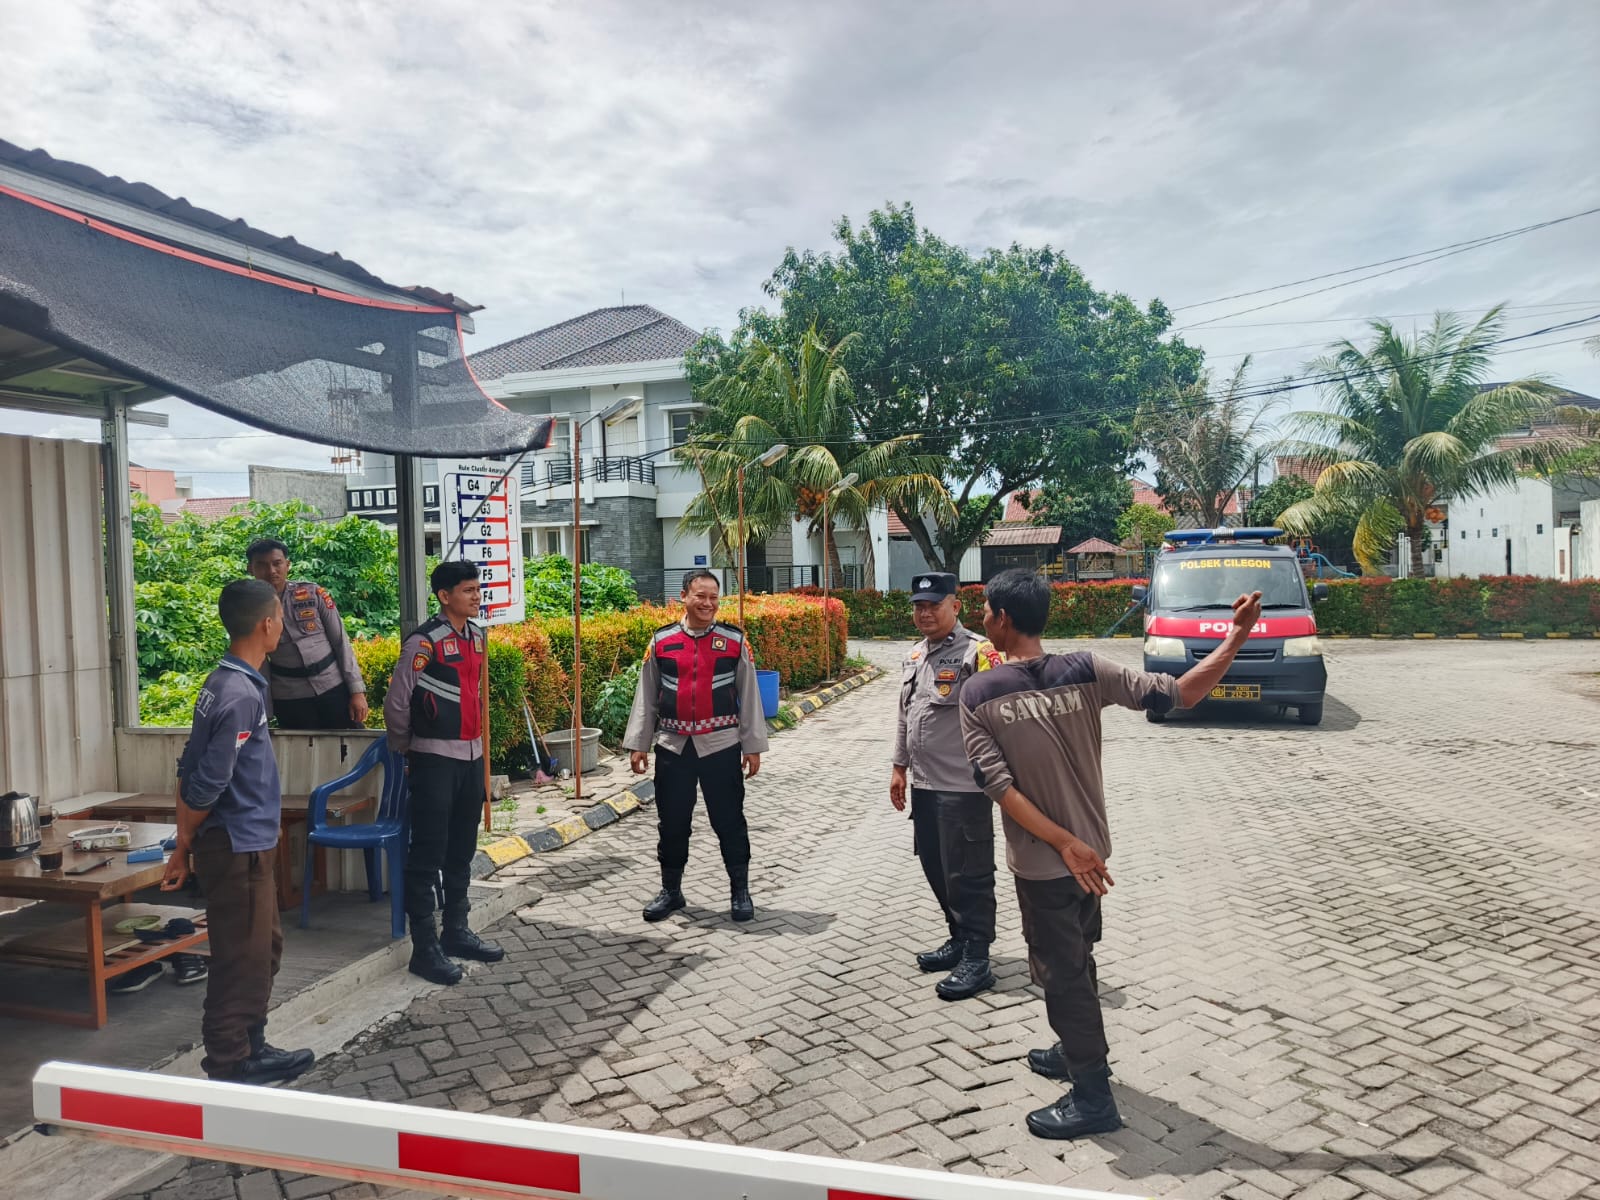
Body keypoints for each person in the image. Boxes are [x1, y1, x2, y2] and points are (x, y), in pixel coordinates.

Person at [960, 569, 1263, 1140]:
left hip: (1048, 863)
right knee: (1079, 957)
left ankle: (1093, 1097)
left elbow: (998, 787)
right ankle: (1074, 1048)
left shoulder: (979, 693)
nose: (982, 619)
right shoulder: (1086, 668)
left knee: (1062, 976)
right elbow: (1182, 693)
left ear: (1003, 619)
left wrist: (1062, 844)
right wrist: (1237, 635)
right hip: (1091, 857)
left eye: (986, 611)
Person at [160, 579, 315, 1085]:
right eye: (280, 619)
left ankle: (253, 1045)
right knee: (240, 960)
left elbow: (188, 765)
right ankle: (230, 1063)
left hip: (245, 843)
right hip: (237, 846)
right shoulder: (239, 694)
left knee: (262, 951)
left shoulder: (225, 683)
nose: (282, 627)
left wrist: (184, 843)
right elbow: (207, 781)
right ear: (266, 624)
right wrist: (187, 841)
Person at [384, 560, 505, 986]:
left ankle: (456, 931)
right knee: (427, 854)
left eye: (477, 589)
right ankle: (425, 949)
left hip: (471, 759)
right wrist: (407, 746)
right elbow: (397, 701)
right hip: (434, 759)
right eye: (468, 590)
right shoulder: (424, 642)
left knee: (461, 850)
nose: (476, 596)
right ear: (444, 596)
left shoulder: (477, 636)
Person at [624, 570, 769, 923]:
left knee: (729, 821)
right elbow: (647, 695)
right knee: (672, 823)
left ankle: (740, 891)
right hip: (673, 748)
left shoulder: (734, 641)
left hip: (721, 746)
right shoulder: (662, 641)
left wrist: (752, 745)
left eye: (713, 597)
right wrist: (639, 743)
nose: (708, 603)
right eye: (700, 596)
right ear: (683, 597)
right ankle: (671, 891)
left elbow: (749, 695)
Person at [890, 571, 1001, 1001]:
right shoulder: (916, 655)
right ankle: (958, 937)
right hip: (925, 783)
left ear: (955, 606)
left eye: (934, 605)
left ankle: (978, 956)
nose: (925, 613)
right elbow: (906, 715)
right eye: (918, 606)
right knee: (935, 866)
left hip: (964, 787)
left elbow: (997, 715)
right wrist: (899, 767)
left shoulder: (979, 653)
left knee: (969, 873)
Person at [246, 538, 370, 730]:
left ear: (287, 565)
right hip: (290, 697)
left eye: (277, 563)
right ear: (250, 569)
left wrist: (357, 691)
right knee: (301, 747)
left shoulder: (313, 593)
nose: (271, 571)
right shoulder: (249, 610)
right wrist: (266, 712)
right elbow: (260, 663)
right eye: (261, 565)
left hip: (333, 687)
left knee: (349, 744)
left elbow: (340, 642)